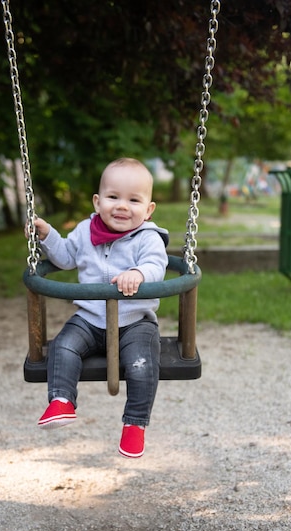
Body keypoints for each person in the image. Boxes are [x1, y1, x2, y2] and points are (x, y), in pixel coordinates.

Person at [27, 158, 169, 458]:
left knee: (142, 364)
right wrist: (48, 236)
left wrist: (139, 273)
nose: (122, 206)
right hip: (90, 319)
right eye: (113, 197)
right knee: (63, 346)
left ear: (149, 209)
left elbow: (157, 265)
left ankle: (135, 424)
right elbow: (66, 257)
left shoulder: (148, 238)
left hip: (135, 322)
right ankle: (61, 401)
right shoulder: (84, 231)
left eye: (134, 200)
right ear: (97, 201)